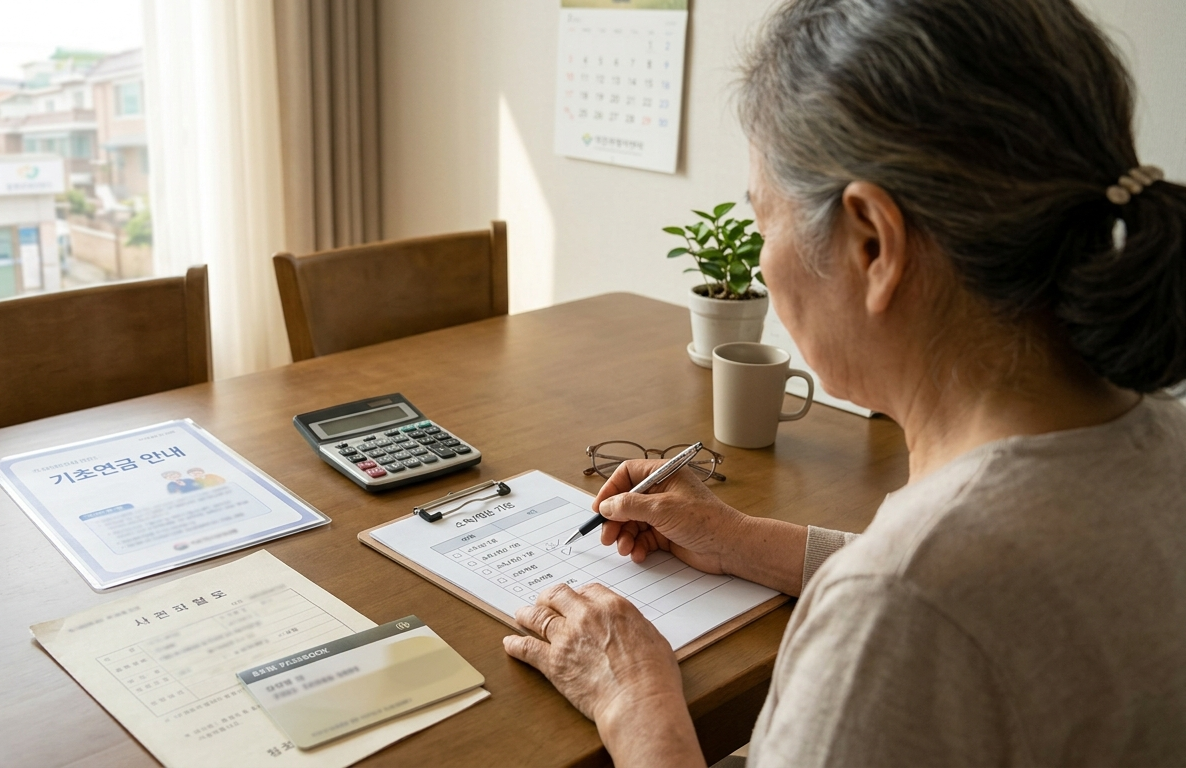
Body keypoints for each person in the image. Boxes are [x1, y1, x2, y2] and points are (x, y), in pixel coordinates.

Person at [502, 0, 1186, 765]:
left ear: (872, 243)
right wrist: (742, 541)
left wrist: (636, 703)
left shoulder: (896, 609)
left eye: (765, 221)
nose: (763, 260)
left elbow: (926, 596)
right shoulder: (1161, 436)